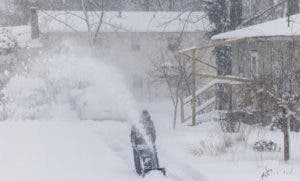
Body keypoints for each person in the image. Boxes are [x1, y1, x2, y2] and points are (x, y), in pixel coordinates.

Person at [131, 110, 157, 175]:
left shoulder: (150, 122)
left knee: (154, 153)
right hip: (138, 142)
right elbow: (132, 134)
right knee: (136, 155)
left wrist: (153, 142)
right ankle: (138, 171)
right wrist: (133, 142)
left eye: (146, 116)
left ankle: (156, 168)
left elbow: (153, 133)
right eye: (144, 116)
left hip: (148, 142)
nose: (145, 117)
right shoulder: (136, 123)